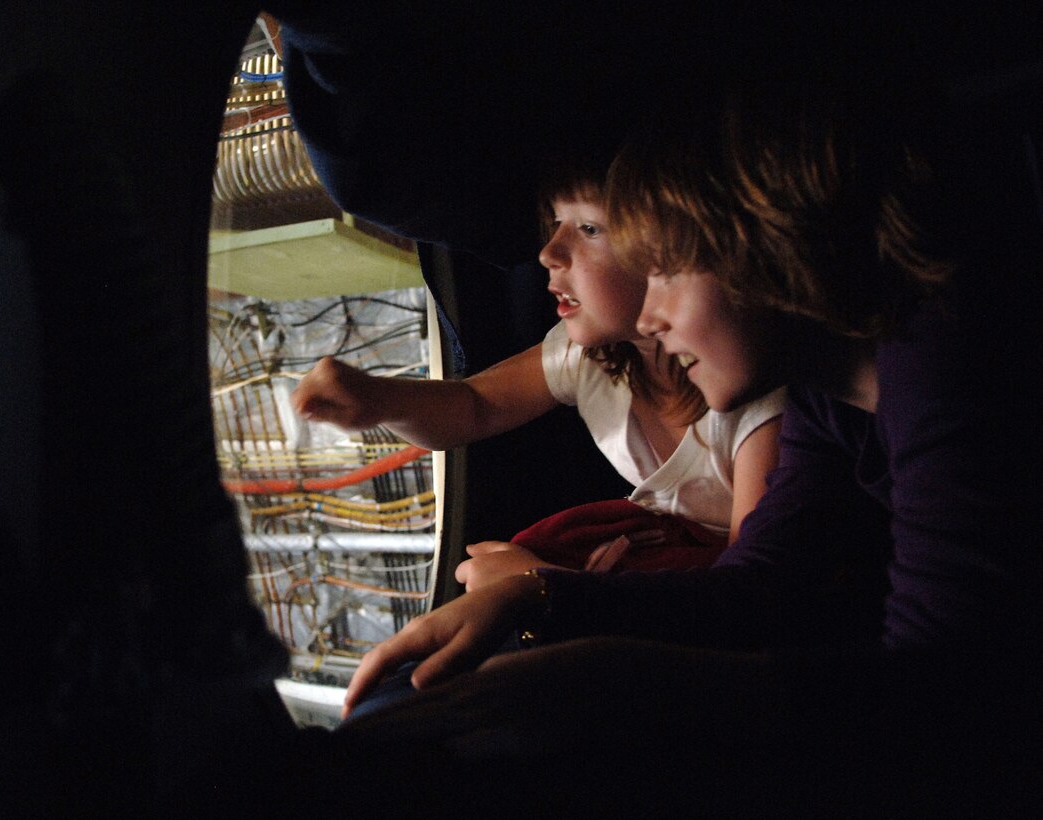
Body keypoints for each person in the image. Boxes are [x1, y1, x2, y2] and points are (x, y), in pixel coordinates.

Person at [331, 70, 1042, 814]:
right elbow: (763, 586)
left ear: (758, 244)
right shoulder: (825, 402)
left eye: (664, 269)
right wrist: (533, 597)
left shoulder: (943, 353)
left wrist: (610, 679)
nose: (646, 321)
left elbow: (936, 691)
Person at [291, 162, 785, 592]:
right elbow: (474, 406)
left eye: (589, 229)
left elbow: (739, 594)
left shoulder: (758, 411)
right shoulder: (592, 357)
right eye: (554, 223)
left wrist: (544, 586)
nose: (549, 251)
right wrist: (378, 400)